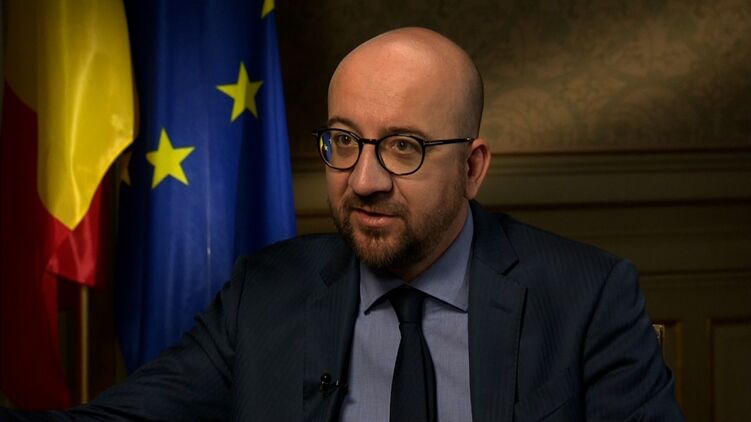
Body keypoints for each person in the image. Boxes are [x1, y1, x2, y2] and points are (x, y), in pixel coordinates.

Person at [2, 27, 683, 421]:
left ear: (472, 168)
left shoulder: (587, 298)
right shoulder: (264, 294)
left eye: (404, 147)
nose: (363, 180)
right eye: (345, 141)